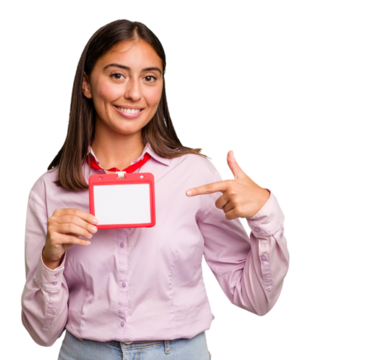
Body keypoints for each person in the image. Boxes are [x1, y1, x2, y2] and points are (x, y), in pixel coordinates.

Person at [21, 17, 289, 359]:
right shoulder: (48, 189)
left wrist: (266, 213)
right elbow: (42, 335)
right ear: (86, 84)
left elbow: (256, 301)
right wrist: (51, 257)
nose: (134, 93)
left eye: (149, 77)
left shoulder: (195, 175)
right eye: (117, 75)